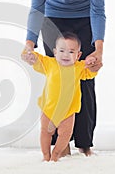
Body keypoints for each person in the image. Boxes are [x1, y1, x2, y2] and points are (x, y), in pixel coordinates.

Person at [22, 0, 105, 156]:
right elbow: (37, 7)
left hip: (86, 19)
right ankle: (60, 142)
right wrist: (30, 43)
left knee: (84, 82)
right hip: (53, 19)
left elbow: (98, 9)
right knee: (57, 82)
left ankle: (84, 144)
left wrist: (98, 49)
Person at [23, 32, 97, 161]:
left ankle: (56, 154)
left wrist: (92, 64)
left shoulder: (78, 67)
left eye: (71, 52)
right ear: (55, 52)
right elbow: (37, 59)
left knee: (65, 134)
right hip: (48, 108)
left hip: (68, 110)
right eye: (62, 51)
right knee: (45, 132)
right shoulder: (49, 63)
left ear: (78, 55)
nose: (65, 55)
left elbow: (89, 73)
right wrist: (32, 56)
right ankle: (46, 155)